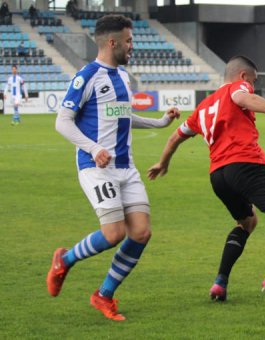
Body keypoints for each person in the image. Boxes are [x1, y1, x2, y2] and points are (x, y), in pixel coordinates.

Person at [147, 55, 265, 316]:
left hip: (219, 177)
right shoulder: (238, 88)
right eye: (252, 82)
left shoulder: (204, 107)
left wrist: (162, 163)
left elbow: (175, 138)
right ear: (243, 77)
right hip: (245, 166)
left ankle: (220, 282)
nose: (252, 87)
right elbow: (243, 99)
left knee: (247, 222)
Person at [47, 14, 180, 321]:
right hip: (96, 168)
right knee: (113, 233)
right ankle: (64, 261)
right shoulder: (87, 76)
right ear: (112, 42)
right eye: (129, 41)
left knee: (141, 233)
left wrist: (160, 121)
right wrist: (94, 149)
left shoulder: (122, 77)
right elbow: (62, 122)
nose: (132, 46)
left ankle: (103, 295)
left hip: (126, 167)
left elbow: (122, 116)